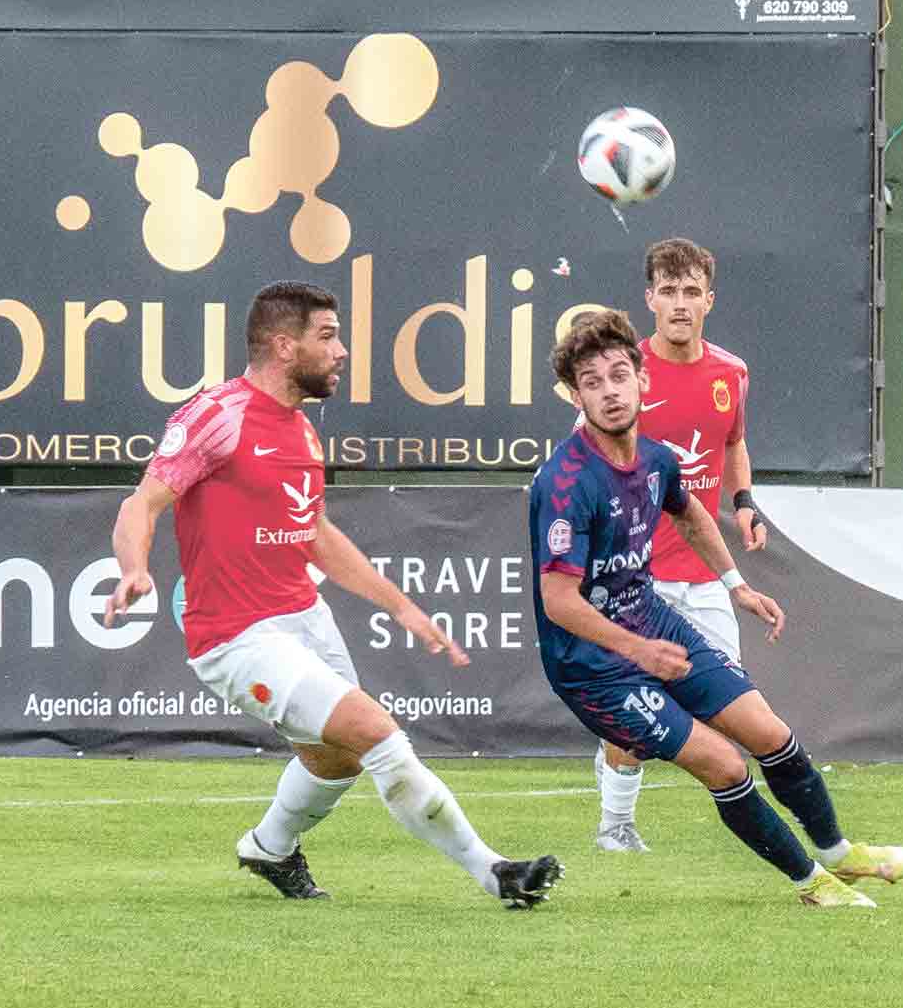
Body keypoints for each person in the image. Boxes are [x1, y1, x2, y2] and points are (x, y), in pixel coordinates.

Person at [104, 280, 563, 907]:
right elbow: (142, 502)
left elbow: (313, 533)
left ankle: (268, 847)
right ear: (283, 345)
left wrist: (400, 605)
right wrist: (133, 567)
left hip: (303, 616)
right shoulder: (217, 416)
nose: (343, 350)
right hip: (236, 636)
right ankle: (495, 871)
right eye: (328, 336)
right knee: (375, 732)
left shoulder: (301, 432)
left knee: (337, 760)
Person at [529, 309, 903, 907]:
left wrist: (736, 584)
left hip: (647, 618)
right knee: (723, 763)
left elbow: (687, 512)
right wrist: (638, 651)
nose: (609, 391)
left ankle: (842, 857)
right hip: (591, 663)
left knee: (770, 733)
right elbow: (558, 602)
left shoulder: (657, 459)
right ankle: (810, 884)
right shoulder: (564, 483)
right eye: (591, 381)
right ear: (577, 396)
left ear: (641, 380)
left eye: (617, 375)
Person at [591, 238, 766, 853]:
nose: (680, 303)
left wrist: (744, 502)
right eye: (668, 292)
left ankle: (751, 817)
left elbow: (734, 442)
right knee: (632, 713)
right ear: (650, 300)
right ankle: (615, 824)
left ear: (709, 301)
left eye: (692, 291)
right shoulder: (625, 375)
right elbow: (584, 459)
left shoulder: (731, 372)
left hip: (707, 573)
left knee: (737, 708)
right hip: (637, 577)